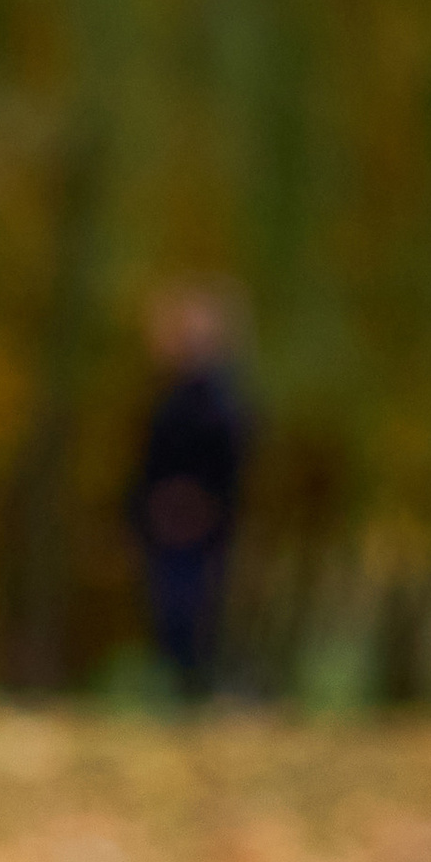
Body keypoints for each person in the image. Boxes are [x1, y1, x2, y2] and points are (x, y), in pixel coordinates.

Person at [125, 285, 254, 700]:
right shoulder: (168, 393)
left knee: (192, 610)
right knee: (171, 611)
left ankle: (194, 690)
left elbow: (229, 460)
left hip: (200, 521)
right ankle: (182, 691)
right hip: (168, 521)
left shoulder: (218, 397)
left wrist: (201, 502)